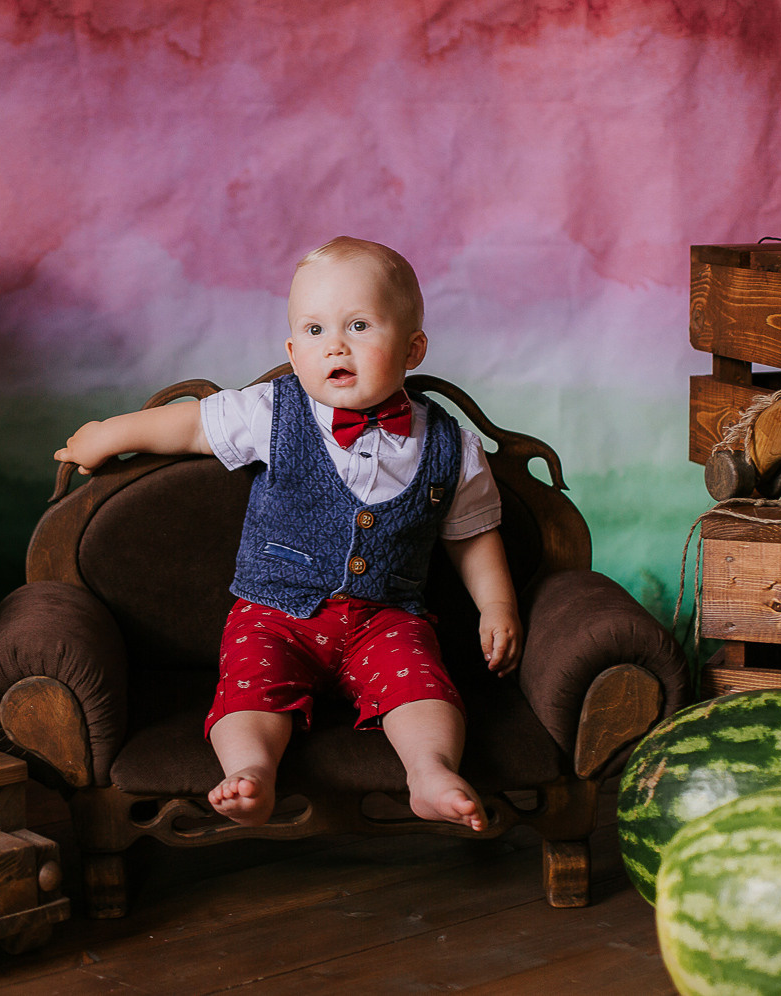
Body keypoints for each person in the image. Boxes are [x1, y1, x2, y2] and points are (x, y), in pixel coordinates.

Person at [55, 236, 520, 831]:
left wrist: (497, 604)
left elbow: (471, 534)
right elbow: (190, 425)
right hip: (275, 613)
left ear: (412, 348)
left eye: (358, 325)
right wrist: (107, 434)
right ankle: (251, 771)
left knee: (423, 689)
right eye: (316, 330)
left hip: (388, 617)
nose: (337, 345)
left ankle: (429, 772)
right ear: (293, 349)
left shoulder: (451, 446)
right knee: (250, 688)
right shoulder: (272, 412)